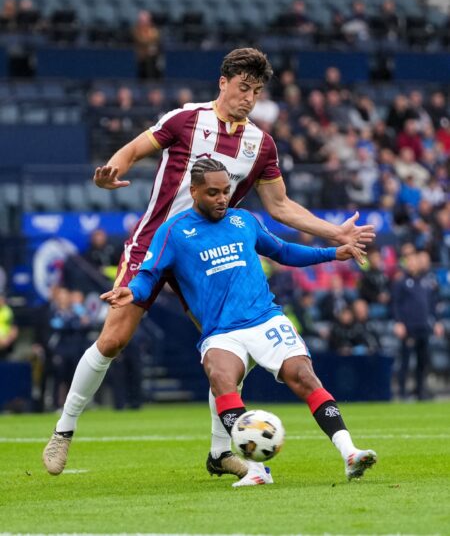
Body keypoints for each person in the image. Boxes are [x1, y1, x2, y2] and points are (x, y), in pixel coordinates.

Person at [42, 48, 374, 478]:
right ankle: (63, 431)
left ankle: (220, 453)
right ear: (223, 82)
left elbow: (281, 205)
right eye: (242, 87)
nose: (249, 98)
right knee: (112, 341)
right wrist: (112, 170)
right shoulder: (186, 119)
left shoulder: (260, 144)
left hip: (203, 257)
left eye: (256, 91)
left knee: (224, 347)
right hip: (154, 245)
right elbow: (136, 148)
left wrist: (335, 233)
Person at [99, 160, 377, 486]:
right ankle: (257, 471)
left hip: (263, 318)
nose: (221, 198)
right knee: (220, 378)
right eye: (213, 192)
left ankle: (349, 453)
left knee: (302, 376)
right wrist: (132, 292)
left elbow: (283, 251)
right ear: (194, 192)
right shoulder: (173, 232)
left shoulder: (244, 220)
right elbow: (149, 276)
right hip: (221, 331)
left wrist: (332, 254)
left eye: (226, 191)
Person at [392, 251, 444, 399]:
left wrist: (437, 322)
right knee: (406, 361)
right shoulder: (401, 282)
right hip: (408, 328)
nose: (412, 264)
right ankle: (402, 392)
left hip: (424, 327)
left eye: (415, 261)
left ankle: (420, 390)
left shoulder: (427, 281)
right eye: (410, 261)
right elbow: (395, 304)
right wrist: (398, 323)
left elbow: (433, 305)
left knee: (423, 361)